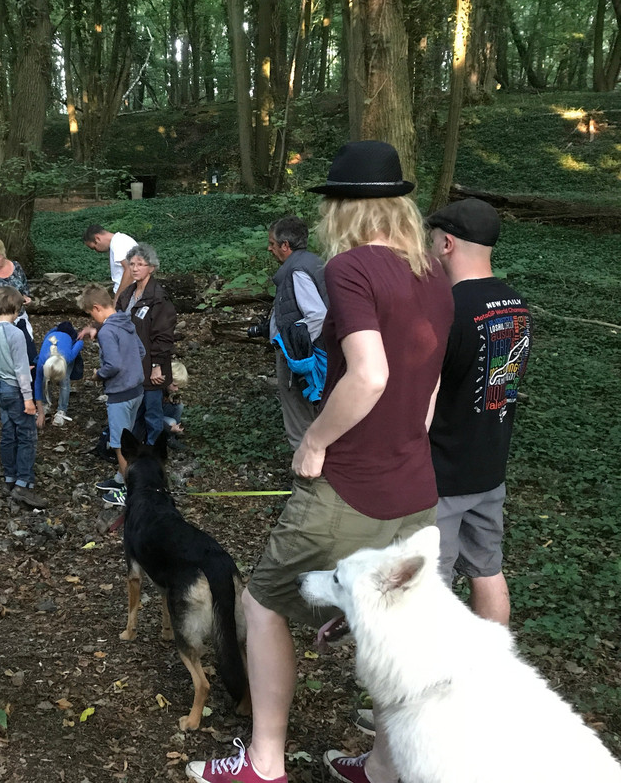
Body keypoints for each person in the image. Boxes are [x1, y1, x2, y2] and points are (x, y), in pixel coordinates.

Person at [185, 141, 453, 783]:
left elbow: (370, 374)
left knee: (263, 603)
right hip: (416, 488)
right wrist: (406, 440)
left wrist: (316, 442)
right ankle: (385, 767)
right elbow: (431, 385)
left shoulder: (353, 269)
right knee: (391, 629)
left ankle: (265, 764)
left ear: (342, 208)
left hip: (349, 488)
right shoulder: (432, 274)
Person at [427, 198, 532, 626]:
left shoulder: (446, 310)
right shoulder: (516, 305)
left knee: (430, 589)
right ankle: (495, 674)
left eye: (433, 240)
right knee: (487, 570)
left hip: (442, 477)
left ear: (447, 243)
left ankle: (433, 688)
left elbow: (424, 407)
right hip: (490, 469)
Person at [78, 283, 145, 523]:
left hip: (120, 394)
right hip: (137, 389)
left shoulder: (107, 332)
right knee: (129, 435)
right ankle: (120, 477)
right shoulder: (127, 322)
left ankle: (129, 490)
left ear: (96, 308)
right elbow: (141, 352)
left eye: (90, 313)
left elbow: (113, 364)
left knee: (119, 442)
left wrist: (99, 374)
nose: (91, 318)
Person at [266, 216, 329, 449]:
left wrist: (294, 348)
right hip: (320, 354)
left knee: (299, 416)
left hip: (305, 360)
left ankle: (307, 471)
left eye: (272, 243)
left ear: (285, 245)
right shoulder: (313, 262)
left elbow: (317, 315)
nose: (269, 248)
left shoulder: (296, 271)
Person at [0, 286, 47, 509]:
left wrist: (5, 367)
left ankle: (9, 479)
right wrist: (29, 399)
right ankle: (23, 483)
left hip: (0, 387)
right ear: (17, 307)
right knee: (27, 435)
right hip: (15, 389)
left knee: (8, 433)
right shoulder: (16, 333)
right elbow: (21, 369)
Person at [114, 243, 176, 452]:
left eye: (140, 264)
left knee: (152, 411)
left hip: (151, 363)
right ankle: (135, 451)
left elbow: (164, 334)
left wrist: (157, 364)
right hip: (130, 363)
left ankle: (155, 453)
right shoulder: (127, 294)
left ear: (151, 267)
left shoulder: (158, 297)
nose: (135, 268)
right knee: (135, 410)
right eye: (132, 264)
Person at [34, 322, 84, 429]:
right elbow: (37, 385)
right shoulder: (41, 361)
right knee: (43, 380)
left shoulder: (68, 357)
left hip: (68, 343)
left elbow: (79, 343)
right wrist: (40, 412)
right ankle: (45, 404)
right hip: (53, 338)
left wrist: (79, 338)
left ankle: (62, 410)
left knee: (64, 381)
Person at [82, 224, 138, 302]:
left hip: (129, 295)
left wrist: (118, 297)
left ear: (97, 238)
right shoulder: (119, 241)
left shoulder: (118, 243)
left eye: (94, 248)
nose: (97, 251)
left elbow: (130, 270)